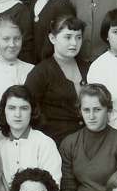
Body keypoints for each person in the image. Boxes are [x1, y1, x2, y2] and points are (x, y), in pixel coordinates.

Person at [0, 85, 64, 191]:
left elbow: (52, 187)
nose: (17, 114)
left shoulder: (44, 142)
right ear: (4, 112)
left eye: (24, 108)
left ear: (32, 111)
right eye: (11, 108)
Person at [24, 15, 89, 144]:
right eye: (68, 37)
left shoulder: (88, 68)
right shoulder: (40, 72)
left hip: (88, 142)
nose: (74, 43)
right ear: (52, 38)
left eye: (78, 37)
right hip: (55, 143)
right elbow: (29, 111)